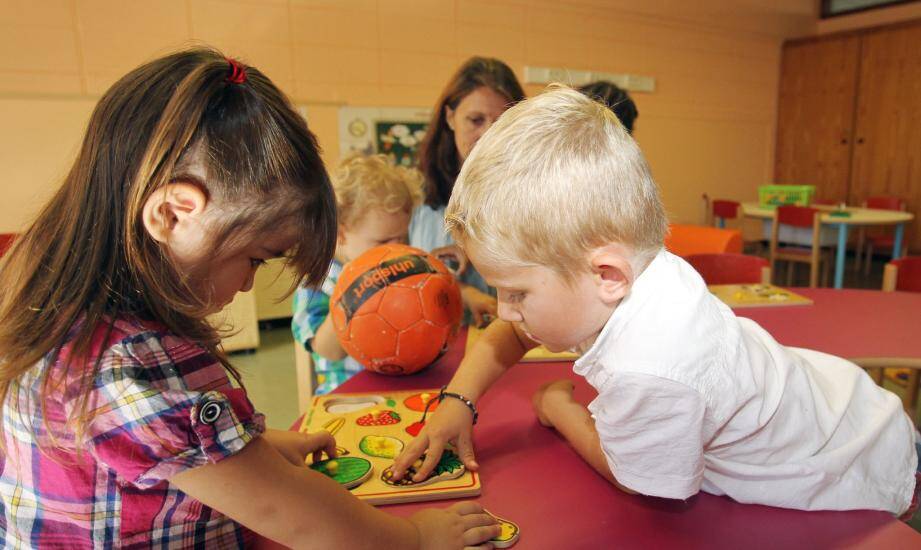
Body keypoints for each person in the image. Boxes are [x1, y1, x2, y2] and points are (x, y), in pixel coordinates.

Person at [0, 48, 499, 548]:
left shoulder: (66, 310)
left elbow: (160, 457)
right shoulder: (135, 360)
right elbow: (294, 517)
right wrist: (412, 539)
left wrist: (258, 450)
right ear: (174, 213)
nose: (246, 285)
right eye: (257, 259)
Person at [391, 86, 919, 518]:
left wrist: (559, 408)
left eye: (517, 293)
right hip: (847, 401)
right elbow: (513, 333)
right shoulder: (634, 270)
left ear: (606, 274)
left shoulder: (652, 367)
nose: (503, 311)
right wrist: (455, 404)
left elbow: (641, 482)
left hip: (858, 459)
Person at [292, 154, 423, 394]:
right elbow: (329, 351)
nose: (396, 250)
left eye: (402, 237)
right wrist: (355, 289)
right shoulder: (317, 279)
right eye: (382, 241)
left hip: (398, 388)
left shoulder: (398, 268)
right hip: (347, 398)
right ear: (341, 235)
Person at [412, 56, 526, 326]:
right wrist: (460, 290)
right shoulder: (412, 196)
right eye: (475, 120)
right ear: (450, 117)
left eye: (501, 123)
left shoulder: (531, 195)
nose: (488, 134)